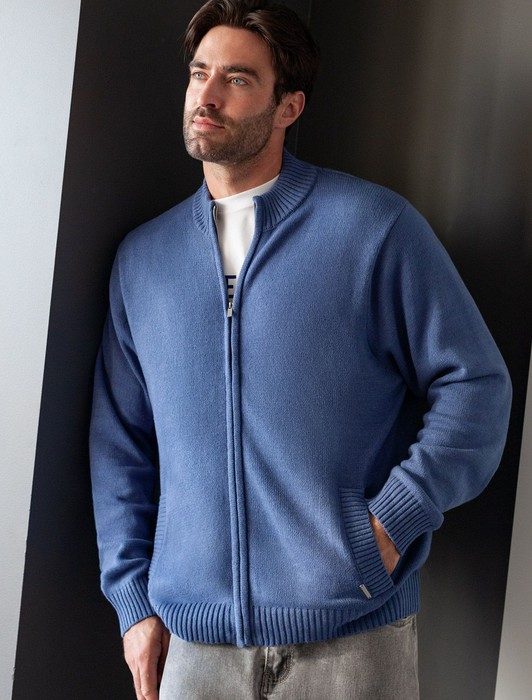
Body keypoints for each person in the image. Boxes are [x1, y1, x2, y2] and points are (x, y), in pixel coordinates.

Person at [89, 1, 512, 698]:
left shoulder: (372, 229)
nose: (207, 95)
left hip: (352, 639)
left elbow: (476, 386)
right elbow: (120, 445)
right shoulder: (144, 261)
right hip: (194, 648)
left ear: (289, 106)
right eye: (199, 73)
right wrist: (133, 602)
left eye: (238, 79)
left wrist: (388, 525)